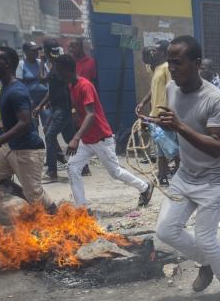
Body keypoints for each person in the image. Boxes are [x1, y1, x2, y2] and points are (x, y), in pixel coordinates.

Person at [154, 36, 220, 301]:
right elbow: (179, 125)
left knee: (205, 237)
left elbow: (217, 147)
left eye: (177, 62)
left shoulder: (216, 99)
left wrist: (179, 126)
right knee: (166, 231)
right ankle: (205, 263)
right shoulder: (171, 88)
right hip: (185, 175)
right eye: (169, 61)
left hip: (214, 180)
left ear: (196, 63)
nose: (172, 67)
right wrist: (167, 125)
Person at [55, 55, 153, 209]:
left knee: (115, 172)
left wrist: (75, 137)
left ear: (67, 70)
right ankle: (82, 209)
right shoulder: (71, 85)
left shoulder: (84, 85)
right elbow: (77, 108)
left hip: (101, 138)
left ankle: (145, 187)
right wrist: (74, 116)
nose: (56, 73)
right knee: (72, 168)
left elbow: (91, 114)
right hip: (87, 140)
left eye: (58, 70)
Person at [0, 46, 55, 211]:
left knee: (36, 196)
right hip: (10, 147)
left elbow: (24, 123)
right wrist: (3, 125)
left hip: (27, 150)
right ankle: (26, 202)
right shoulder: (5, 87)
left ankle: (64, 224)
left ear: (7, 64)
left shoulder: (16, 90)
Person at [136, 40, 179, 186]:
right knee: (161, 148)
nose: (153, 53)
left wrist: (170, 112)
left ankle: (179, 175)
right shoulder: (156, 69)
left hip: (164, 114)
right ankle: (162, 176)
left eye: (156, 50)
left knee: (172, 147)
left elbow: (173, 89)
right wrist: (143, 102)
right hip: (155, 115)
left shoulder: (167, 68)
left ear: (164, 53)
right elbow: (153, 89)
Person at [33, 40, 76, 182]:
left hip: (61, 109)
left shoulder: (57, 66)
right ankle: (83, 166)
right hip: (62, 108)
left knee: (50, 135)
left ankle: (52, 171)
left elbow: (41, 79)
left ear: (46, 51)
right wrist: (42, 105)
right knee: (68, 137)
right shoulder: (56, 65)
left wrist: (41, 62)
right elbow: (52, 90)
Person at [16, 42, 48, 117]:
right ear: (26, 52)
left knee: (47, 122)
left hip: (44, 99)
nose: (36, 52)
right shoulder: (21, 64)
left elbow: (48, 78)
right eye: (33, 50)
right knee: (33, 122)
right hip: (30, 100)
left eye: (37, 50)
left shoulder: (41, 62)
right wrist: (29, 99)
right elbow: (20, 85)